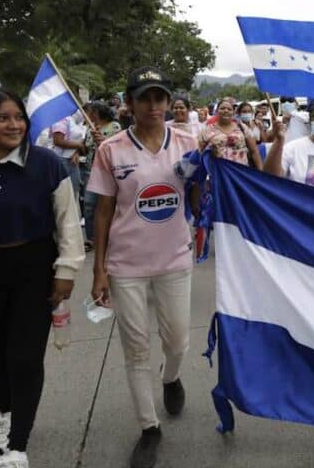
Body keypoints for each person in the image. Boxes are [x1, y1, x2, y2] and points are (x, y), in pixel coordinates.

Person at [87, 67, 198, 468]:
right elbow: (103, 212)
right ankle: (149, 428)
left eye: (160, 98)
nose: (154, 106)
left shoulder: (190, 141)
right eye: (145, 98)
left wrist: (210, 170)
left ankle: (171, 377)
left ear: (169, 102)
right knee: (136, 349)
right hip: (126, 264)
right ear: (129, 103)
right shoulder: (111, 150)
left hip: (174, 260)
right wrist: (99, 270)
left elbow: (199, 198)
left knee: (178, 341)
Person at [0, 87, 84, 468]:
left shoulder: (46, 164)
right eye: (3, 117)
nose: (14, 124)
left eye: (18, 116)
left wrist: (67, 270)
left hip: (34, 268)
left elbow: (68, 222)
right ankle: (6, 417)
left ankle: (18, 446)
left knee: (24, 356)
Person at [82, 103, 122, 250]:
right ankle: (92, 238)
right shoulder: (90, 127)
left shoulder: (114, 127)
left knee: (108, 205)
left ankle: (110, 235)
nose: (89, 114)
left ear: (98, 112)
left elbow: (118, 148)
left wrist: (102, 142)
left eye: (91, 112)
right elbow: (86, 148)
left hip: (109, 171)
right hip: (91, 170)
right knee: (88, 205)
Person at [198, 98, 262, 169]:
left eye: (229, 109)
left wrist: (261, 174)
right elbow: (200, 153)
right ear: (216, 111)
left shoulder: (242, 127)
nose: (226, 110)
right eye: (222, 108)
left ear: (233, 112)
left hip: (240, 173)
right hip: (218, 174)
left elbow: (254, 151)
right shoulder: (207, 130)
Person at [50, 110, 88, 199]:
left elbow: (81, 139)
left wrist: (76, 152)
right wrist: (79, 145)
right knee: (62, 194)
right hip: (61, 160)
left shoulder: (77, 122)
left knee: (74, 191)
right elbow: (58, 141)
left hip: (73, 161)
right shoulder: (62, 119)